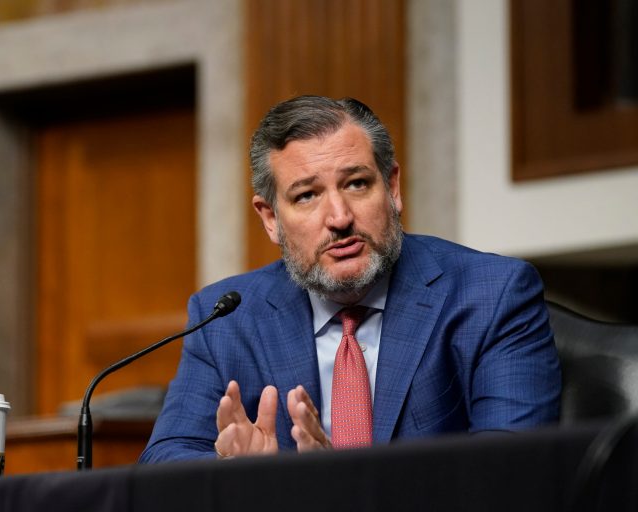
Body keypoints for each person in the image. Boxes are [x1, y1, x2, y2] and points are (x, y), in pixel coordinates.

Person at [139, 95, 561, 463]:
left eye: (357, 184)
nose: (339, 218)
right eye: (306, 195)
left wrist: (333, 488)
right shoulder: (227, 319)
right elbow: (163, 461)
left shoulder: (492, 295)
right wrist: (245, 479)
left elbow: (512, 472)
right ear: (270, 219)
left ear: (392, 188)